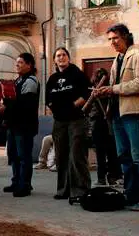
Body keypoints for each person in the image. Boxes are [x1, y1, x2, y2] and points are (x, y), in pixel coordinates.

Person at [94, 23, 139, 210]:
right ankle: (131, 195)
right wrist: (105, 91)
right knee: (124, 157)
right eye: (110, 39)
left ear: (126, 37)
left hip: (136, 113)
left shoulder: (138, 55)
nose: (112, 42)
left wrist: (113, 88)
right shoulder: (117, 59)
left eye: (116, 38)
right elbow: (116, 88)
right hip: (119, 114)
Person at [46, 47, 91, 201]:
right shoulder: (52, 79)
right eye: (58, 55)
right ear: (54, 60)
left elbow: (87, 93)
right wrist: (55, 109)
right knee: (61, 156)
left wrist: (74, 105)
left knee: (77, 155)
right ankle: (63, 190)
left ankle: (80, 191)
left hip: (77, 120)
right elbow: (48, 100)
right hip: (59, 122)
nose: (61, 57)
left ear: (69, 58)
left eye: (64, 55)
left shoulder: (77, 74)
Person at [0, 53, 40, 197]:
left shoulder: (30, 81)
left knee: (24, 156)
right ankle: (16, 181)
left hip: (24, 125)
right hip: (13, 124)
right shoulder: (18, 80)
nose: (17, 65)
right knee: (14, 155)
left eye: (21, 62)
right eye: (17, 62)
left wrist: (7, 107)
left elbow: (25, 104)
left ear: (29, 65)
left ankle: (25, 185)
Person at [88, 68, 121, 188]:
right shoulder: (92, 90)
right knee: (102, 152)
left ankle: (111, 177)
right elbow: (89, 108)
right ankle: (103, 177)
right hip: (98, 122)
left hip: (108, 122)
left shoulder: (109, 90)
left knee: (110, 151)